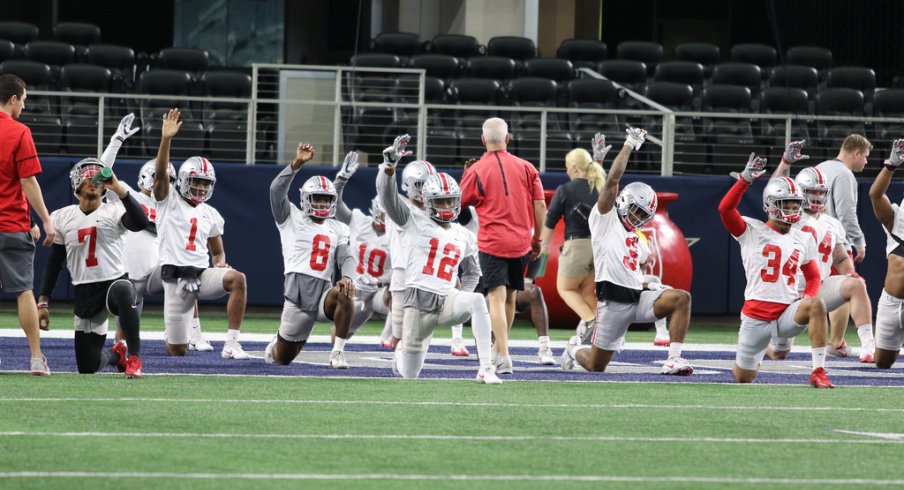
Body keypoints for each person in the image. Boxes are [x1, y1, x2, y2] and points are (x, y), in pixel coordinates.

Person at [560, 128, 694, 376]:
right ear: (623, 202)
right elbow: (612, 181)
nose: (638, 218)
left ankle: (674, 358)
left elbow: (636, 268)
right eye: (636, 210)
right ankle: (572, 350)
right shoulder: (605, 219)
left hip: (637, 298)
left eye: (643, 215)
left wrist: (646, 284)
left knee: (681, 298)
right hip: (612, 304)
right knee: (595, 365)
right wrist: (630, 144)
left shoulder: (638, 239)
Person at [377, 135, 499, 383]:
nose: (445, 206)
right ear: (427, 201)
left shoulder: (463, 234)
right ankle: (400, 353)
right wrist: (389, 169)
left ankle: (486, 368)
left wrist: (458, 295)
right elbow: (388, 199)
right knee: (410, 374)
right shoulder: (412, 219)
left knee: (476, 300)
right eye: (440, 201)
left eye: (450, 201)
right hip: (417, 302)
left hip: (446, 300)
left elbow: (474, 273)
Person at [717, 153, 834, 388]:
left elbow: (813, 276)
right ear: (770, 204)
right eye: (785, 204)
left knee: (817, 305)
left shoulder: (802, 237)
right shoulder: (751, 230)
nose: (791, 210)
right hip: (755, 315)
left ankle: (819, 371)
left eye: (795, 205)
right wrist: (744, 180)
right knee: (743, 378)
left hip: (786, 313)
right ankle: (748, 360)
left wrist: (807, 298)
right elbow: (725, 210)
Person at [152, 108, 249, 359]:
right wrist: (166, 139)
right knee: (177, 350)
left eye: (206, 183)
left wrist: (220, 263)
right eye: (197, 181)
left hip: (201, 275)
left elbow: (217, 251)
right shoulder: (168, 200)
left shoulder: (210, 213)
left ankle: (232, 344)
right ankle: (177, 335)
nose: (201, 187)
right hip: (175, 278)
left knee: (238, 279)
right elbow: (161, 174)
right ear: (183, 180)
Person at [37, 160, 147, 377]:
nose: (93, 182)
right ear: (76, 183)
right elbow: (54, 262)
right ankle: (117, 356)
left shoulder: (113, 211)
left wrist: (119, 189)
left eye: (98, 179)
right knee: (88, 366)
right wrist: (43, 300)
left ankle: (135, 358)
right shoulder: (62, 217)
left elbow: (140, 222)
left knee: (125, 290)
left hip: (113, 283)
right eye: (88, 177)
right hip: (85, 291)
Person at [767, 140, 875, 363]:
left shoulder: (831, 223)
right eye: (811, 192)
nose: (816, 197)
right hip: (786, 292)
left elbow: (840, 256)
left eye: (820, 192)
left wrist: (849, 272)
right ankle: (759, 343)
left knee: (856, 284)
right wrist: (785, 163)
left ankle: (868, 347)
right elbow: (773, 192)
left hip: (817, 287)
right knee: (779, 353)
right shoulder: (790, 217)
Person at [460, 117, 546, 374]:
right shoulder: (527, 167)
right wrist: (537, 239)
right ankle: (498, 351)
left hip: (493, 242)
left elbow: (459, 203)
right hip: (521, 242)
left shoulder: (476, 170)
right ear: (507, 139)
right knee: (509, 298)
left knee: (495, 299)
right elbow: (540, 205)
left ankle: (504, 355)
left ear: (483, 140)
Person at [263, 143, 357, 368]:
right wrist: (297, 164)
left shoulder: (338, 228)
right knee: (282, 359)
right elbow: (276, 190)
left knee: (346, 294)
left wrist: (347, 277)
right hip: (296, 296)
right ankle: (280, 340)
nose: (322, 203)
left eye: (326, 199)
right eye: (317, 198)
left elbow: (346, 257)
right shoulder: (290, 218)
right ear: (305, 198)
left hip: (324, 293)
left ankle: (337, 352)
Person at [0, 74, 54, 375]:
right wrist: (46, 220)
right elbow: (27, 180)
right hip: (10, 225)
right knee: (23, 292)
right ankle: (36, 357)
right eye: (23, 100)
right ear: (13, 99)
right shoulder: (19, 131)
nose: (23, 106)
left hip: (13, 221)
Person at [540, 133, 608, 343]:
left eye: (568, 166)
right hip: (599, 246)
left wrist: (543, 245)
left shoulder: (565, 190)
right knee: (588, 291)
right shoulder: (600, 186)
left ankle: (589, 322)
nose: (566, 170)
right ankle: (603, 332)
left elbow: (550, 220)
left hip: (576, 245)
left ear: (575, 168)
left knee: (566, 288)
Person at [815, 135, 872, 356]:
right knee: (844, 290)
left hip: (812, 239)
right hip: (835, 241)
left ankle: (781, 341)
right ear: (856, 153)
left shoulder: (819, 168)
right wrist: (859, 241)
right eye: (865, 157)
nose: (866, 162)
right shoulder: (845, 175)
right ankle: (836, 342)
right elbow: (846, 214)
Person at [332, 150, 392, 344]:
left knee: (398, 294)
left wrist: (378, 280)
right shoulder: (358, 220)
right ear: (375, 211)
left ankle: (387, 338)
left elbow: (400, 270)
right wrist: (341, 179)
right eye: (384, 214)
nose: (386, 219)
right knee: (338, 337)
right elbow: (335, 204)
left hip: (377, 292)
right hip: (355, 291)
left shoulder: (397, 234)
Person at [382, 147, 436, 352]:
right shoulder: (399, 207)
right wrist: (389, 167)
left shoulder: (435, 212)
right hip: (402, 272)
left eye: (429, 185)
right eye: (421, 185)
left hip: (425, 274)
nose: (424, 190)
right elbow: (386, 192)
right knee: (398, 330)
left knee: (422, 325)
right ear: (408, 184)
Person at [867, 138, 904, 368]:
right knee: (882, 362)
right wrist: (890, 166)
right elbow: (875, 195)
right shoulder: (895, 223)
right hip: (891, 303)